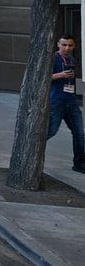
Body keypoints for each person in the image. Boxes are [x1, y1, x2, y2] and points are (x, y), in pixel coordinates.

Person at [48, 35, 84, 173]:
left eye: (70, 45)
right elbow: (44, 77)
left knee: (79, 133)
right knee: (51, 131)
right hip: (56, 101)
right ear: (58, 44)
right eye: (64, 45)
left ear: (74, 46)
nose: (67, 48)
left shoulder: (72, 60)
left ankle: (80, 163)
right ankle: (31, 152)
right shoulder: (53, 58)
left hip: (71, 101)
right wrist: (60, 75)